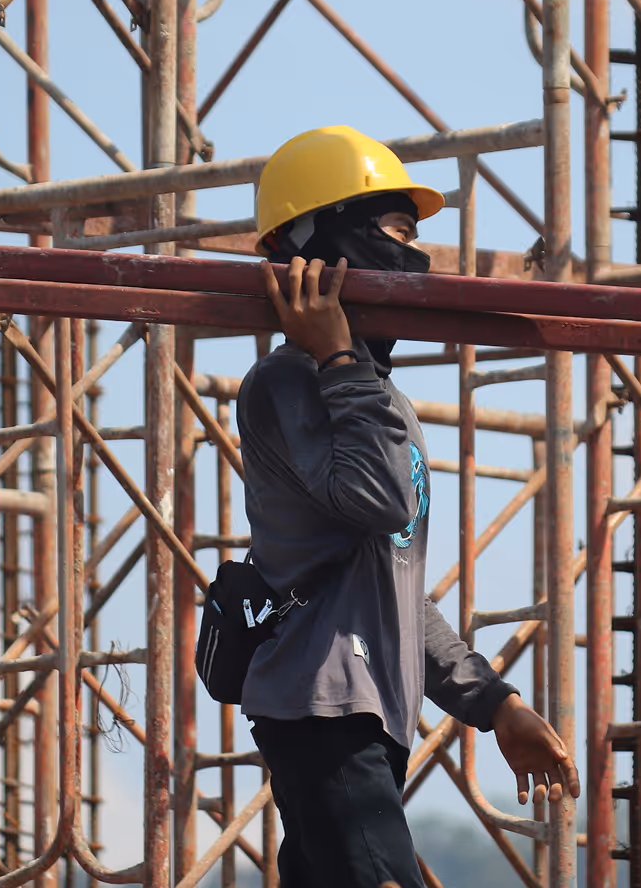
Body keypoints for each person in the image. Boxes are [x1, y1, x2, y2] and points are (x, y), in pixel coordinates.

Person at [236, 125, 580, 888]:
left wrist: (492, 703)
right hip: (323, 710)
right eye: (394, 234)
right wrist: (336, 357)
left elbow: (388, 584)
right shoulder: (290, 383)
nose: (412, 259)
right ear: (320, 247)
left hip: (367, 714)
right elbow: (381, 499)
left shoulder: (372, 395)